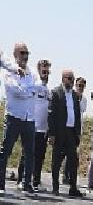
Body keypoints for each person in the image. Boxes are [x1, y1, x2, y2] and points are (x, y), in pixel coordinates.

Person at [0, 43, 37, 195]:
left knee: (29, 153)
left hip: (29, 118)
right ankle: (1, 185)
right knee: (5, 151)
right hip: (14, 117)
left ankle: (26, 183)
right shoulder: (9, 72)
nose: (25, 56)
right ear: (15, 54)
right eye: (22, 53)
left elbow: (34, 87)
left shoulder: (32, 72)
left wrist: (27, 90)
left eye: (27, 52)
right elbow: (15, 90)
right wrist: (29, 91)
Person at [48, 69, 83, 197]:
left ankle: (73, 188)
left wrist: (78, 132)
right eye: (69, 78)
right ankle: (55, 187)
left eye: (72, 79)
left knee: (73, 160)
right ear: (63, 79)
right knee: (56, 160)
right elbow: (51, 114)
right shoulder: (56, 93)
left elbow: (77, 114)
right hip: (59, 132)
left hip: (71, 132)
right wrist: (51, 133)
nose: (71, 81)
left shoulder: (74, 95)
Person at [18, 59, 51, 192]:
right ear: (38, 69)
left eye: (47, 70)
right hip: (32, 125)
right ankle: (21, 180)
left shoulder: (47, 89)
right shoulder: (34, 84)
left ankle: (35, 181)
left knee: (39, 156)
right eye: (43, 69)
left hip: (43, 129)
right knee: (27, 154)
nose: (45, 72)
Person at [63, 77, 87, 184]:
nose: (80, 88)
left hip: (78, 129)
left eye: (82, 86)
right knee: (65, 153)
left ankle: (69, 176)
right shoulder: (70, 96)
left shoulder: (84, 99)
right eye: (78, 85)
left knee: (73, 154)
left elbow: (81, 111)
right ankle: (64, 175)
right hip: (68, 128)